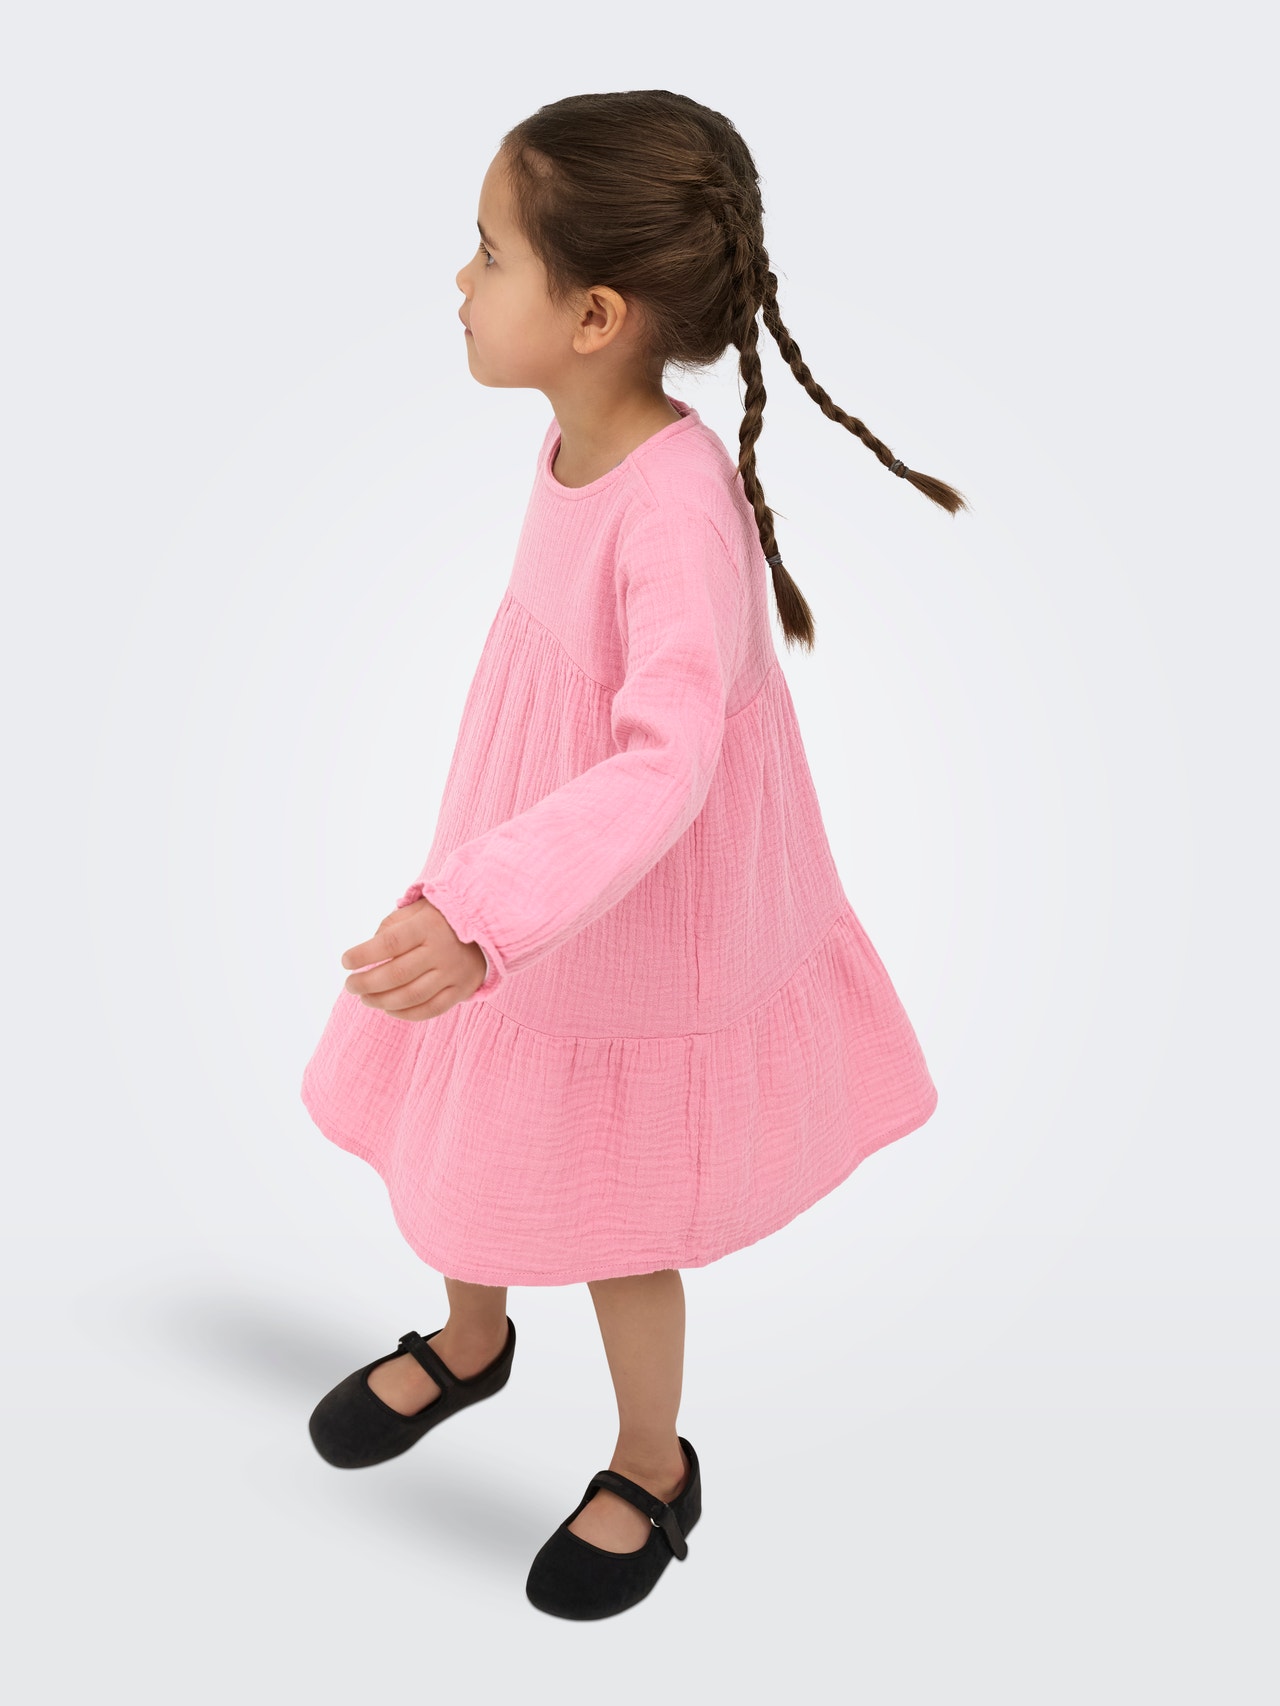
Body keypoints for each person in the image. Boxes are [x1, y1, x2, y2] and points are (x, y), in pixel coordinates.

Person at [300, 89, 966, 1621]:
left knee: (611, 1197)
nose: (459, 280)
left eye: (488, 255)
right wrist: (484, 881)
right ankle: (473, 1337)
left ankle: (653, 1459)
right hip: (528, 851)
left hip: (628, 902)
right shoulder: (572, 438)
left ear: (593, 315)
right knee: (475, 1115)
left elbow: (666, 763)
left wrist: (490, 909)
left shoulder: (675, 507)